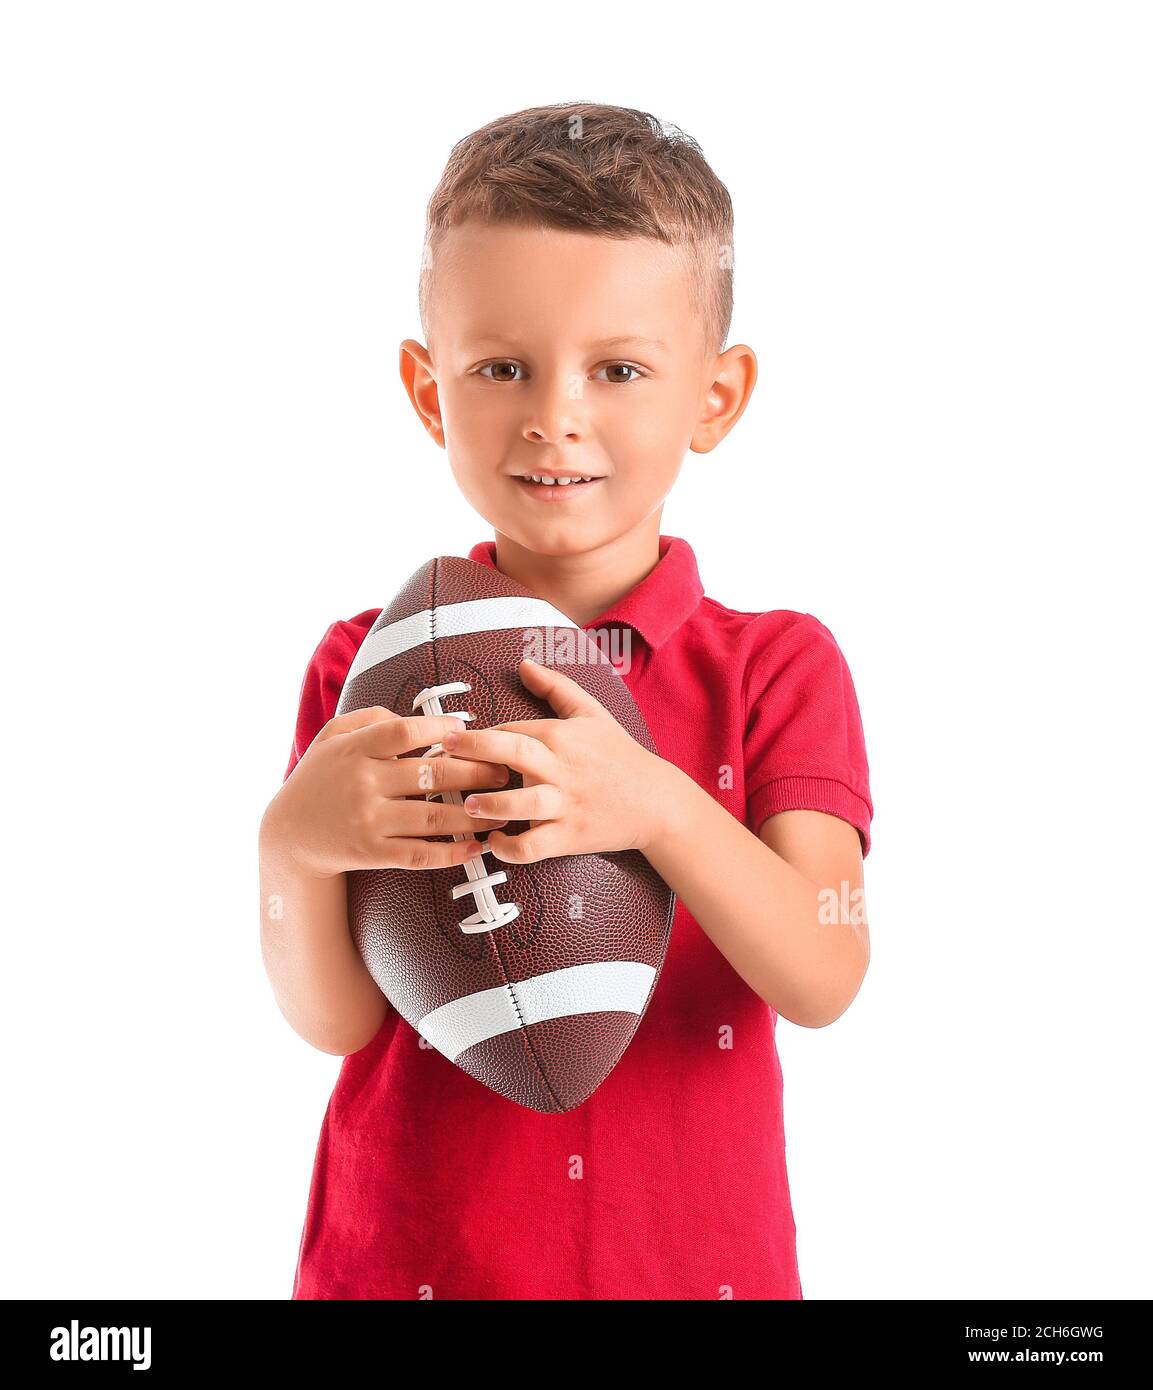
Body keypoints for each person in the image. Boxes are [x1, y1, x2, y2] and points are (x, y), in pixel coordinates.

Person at [258, 101, 874, 1301]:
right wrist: (290, 846)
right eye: (500, 366)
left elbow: (824, 972)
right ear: (428, 390)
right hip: (419, 1265)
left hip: (690, 1273)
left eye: (619, 368)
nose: (556, 413)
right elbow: (338, 1021)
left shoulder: (777, 666)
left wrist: (659, 808)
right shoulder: (363, 665)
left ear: (715, 395)